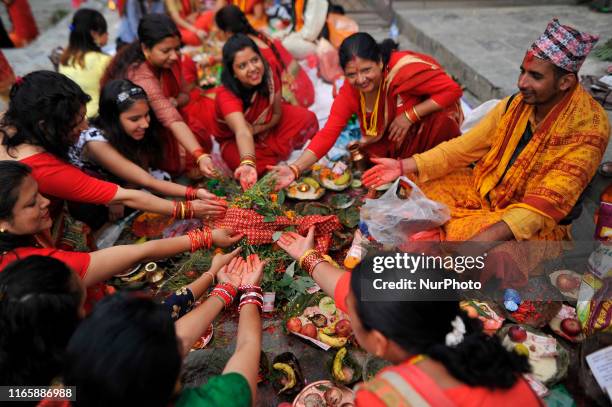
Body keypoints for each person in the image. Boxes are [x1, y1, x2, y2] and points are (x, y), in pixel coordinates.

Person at [362, 19, 610, 287]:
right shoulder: (515, 104)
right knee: (416, 187)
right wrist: (403, 166)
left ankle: (437, 262)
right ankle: (433, 249)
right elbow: (464, 148)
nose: (521, 83)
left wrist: (481, 241)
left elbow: (542, 209)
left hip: (530, 221)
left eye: (535, 76)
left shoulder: (589, 127)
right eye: (522, 71)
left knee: (496, 255)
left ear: (565, 82)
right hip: (483, 189)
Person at [276, 228, 542, 406]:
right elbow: (349, 289)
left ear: (378, 341)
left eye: (352, 314)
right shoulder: (475, 340)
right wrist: (307, 257)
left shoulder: (385, 397)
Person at [0, 71, 226, 236]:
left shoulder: (14, 122)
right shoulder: (45, 166)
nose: (85, 127)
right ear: (45, 127)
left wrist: (192, 191)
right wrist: (188, 207)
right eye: (76, 123)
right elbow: (127, 194)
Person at [0, 251, 244, 388]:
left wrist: (213, 276)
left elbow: (162, 316)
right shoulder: (91, 376)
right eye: (85, 295)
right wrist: (229, 290)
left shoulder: (17, 377)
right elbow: (171, 337)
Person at [0, 160, 242, 293]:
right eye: (32, 203)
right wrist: (205, 237)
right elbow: (138, 252)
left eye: (40, 193)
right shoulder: (30, 268)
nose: (46, 203)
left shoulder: (26, 233)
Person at [63, 255, 264, 407]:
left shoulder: (68, 392)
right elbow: (248, 346)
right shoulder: (219, 401)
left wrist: (225, 289)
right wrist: (250, 291)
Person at [271, 32, 463, 189]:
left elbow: (452, 90)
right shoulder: (350, 91)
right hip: (397, 136)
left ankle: (435, 165)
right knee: (374, 158)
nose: (361, 79)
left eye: (366, 70)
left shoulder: (401, 68)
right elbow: (328, 133)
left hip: (428, 123)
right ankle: (408, 167)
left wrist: (409, 115)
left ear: (380, 62)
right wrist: (295, 169)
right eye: (352, 74)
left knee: (443, 116)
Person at [68, 79, 224, 226]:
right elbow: (148, 181)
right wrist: (194, 195)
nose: (144, 123)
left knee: (164, 184)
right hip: (97, 199)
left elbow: (143, 172)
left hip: (130, 181)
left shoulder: (136, 129)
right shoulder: (96, 142)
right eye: (135, 119)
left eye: (146, 115)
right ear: (114, 119)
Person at [102, 14, 216, 177]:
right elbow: (170, 118)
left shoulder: (171, 60)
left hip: (174, 120)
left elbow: (185, 95)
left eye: (177, 48)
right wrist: (200, 155)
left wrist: (175, 102)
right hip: (148, 134)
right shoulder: (142, 77)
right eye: (166, 51)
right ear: (145, 49)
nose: (175, 56)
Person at [205, 34, 318, 190]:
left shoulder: (269, 72)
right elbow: (242, 132)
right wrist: (248, 162)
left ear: (260, 57)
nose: (252, 69)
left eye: (254, 60)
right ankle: (271, 161)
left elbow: (277, 114)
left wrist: (258, 129)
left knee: (307, 118)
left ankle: (276, 157)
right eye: (242, 66)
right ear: (233, 73)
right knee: (251, 169)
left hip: (268, 125)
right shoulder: (226, 96)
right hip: (236, 141)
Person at [215, 4, 315, 107]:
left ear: (227, 32)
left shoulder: (247, 48)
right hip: (305, 89)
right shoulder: (259, 35)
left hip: (293, 101)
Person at [59, 9, 111, 118]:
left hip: (77, 118)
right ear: (94, 34)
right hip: (99, 116)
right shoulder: (104, 61)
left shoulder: (64, 59)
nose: (108, 34)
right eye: (105, 31)